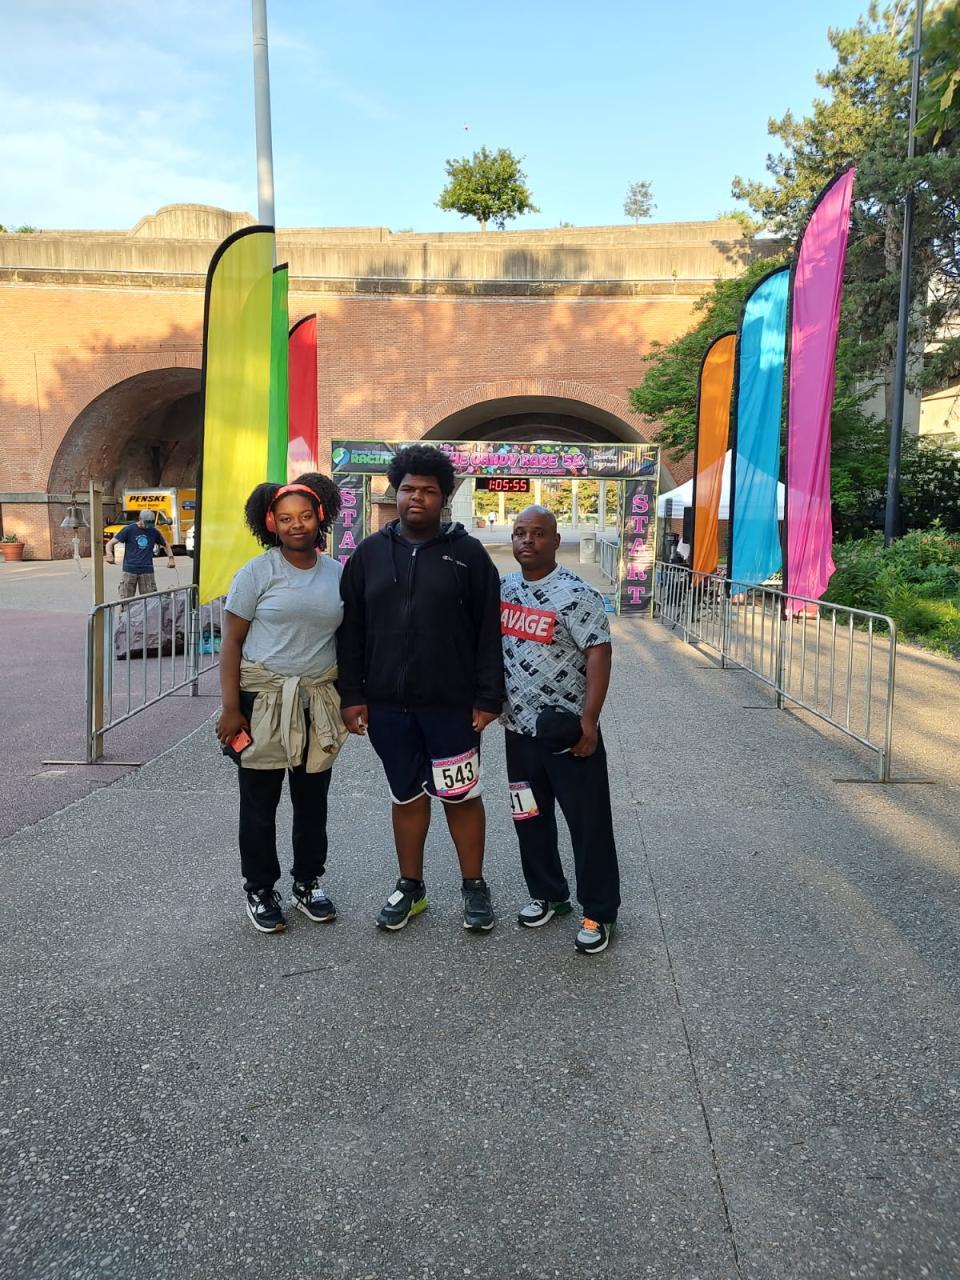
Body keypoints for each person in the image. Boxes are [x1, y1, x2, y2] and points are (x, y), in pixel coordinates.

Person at [337, 444, 504, 933]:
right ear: (396, 491)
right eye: (409, 488)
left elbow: (487, 630)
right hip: (389, 708)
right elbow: (351, 631)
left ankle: (474, 886)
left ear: (443, 497)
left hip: (452, 708)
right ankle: (411, 887)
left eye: (428, 490)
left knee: (460, 795)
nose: (417, 497)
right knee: (407, 797)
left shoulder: (469, 555)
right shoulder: (369, 553)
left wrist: (488, 697)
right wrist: (352, 695)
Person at [217, 474, 347, 935]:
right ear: (271, 522)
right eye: (286, 518)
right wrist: (230, 708)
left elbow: (347, 639)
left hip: (316, 700)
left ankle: (307, 883)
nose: (297, 525)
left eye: (305, 516)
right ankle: (259, 888)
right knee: (259, 802)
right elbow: (231, 642)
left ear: (320, 518)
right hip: (262, 701)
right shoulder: (256, 573)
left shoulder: (337, 574)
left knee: (312, 801)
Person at [500, 505, 620, 954]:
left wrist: (589, 721)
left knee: (588, 826)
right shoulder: (504, 589)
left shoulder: (577, 594)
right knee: (529, 817)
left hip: (568, 734)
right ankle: (548, 893)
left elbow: (599, 654)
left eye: (537, 533)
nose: (527, 540)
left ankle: (599, 911)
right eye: (519, 533)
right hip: (519, 732)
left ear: (555, 540)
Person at [105, 509, 174, 598]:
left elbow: (166, 545)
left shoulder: (153, 531)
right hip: (129, 571)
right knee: (125, 599)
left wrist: (171, 559)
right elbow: (109, 544)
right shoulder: (129, 530)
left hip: (147, 571)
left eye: (151, 523)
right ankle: (125, 607)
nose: (148, 526)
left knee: (150, 600)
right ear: (140, 520)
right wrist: (109, 555)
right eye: (147, 523)